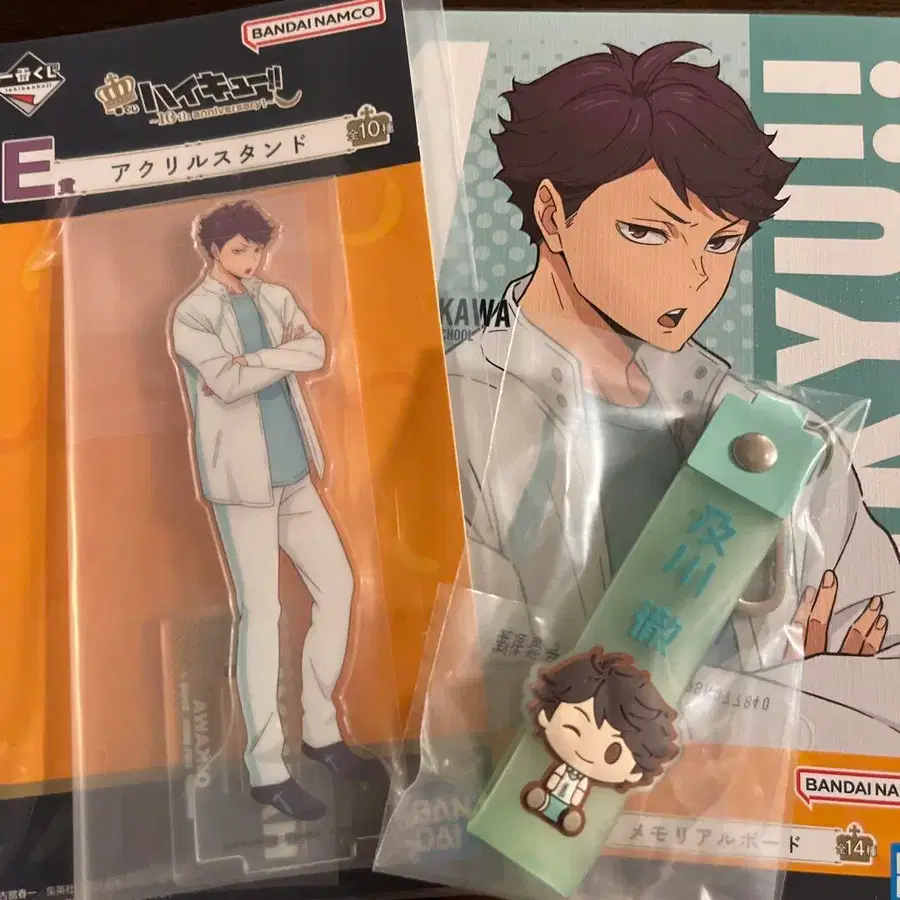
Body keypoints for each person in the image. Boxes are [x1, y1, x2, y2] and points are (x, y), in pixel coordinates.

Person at [446, 42, 900, 748]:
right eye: (647, 232)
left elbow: (890, 685)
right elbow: (468, 709)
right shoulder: (459, 415)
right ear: (552, 214)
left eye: (721, 244)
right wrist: (786, 690)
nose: (693, 279)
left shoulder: (777, 437)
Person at [171, 200, 383, 820]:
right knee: (261, 614)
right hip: (243, 486)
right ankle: (266, 769)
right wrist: (267, 361)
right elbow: (226, 382)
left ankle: (321, 732)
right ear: (213, 249)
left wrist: (254, 361)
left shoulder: (274, 296)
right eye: (239, 250)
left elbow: (314, 352)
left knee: (338, 587)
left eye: (257, 249)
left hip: (295, 474)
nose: (251, 260)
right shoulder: (192, 313)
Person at [521, 648, 678, 837]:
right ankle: (543, 802)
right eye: (574, 728)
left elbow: (578, 792)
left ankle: (565, 816)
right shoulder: (560, 765)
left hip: (569, 809)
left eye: (612, 753)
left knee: (567, 815)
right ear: (546, 716)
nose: (587, 751)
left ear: (634, 772)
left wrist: (573, 803)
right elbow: (556, 779)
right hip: (549, 796)